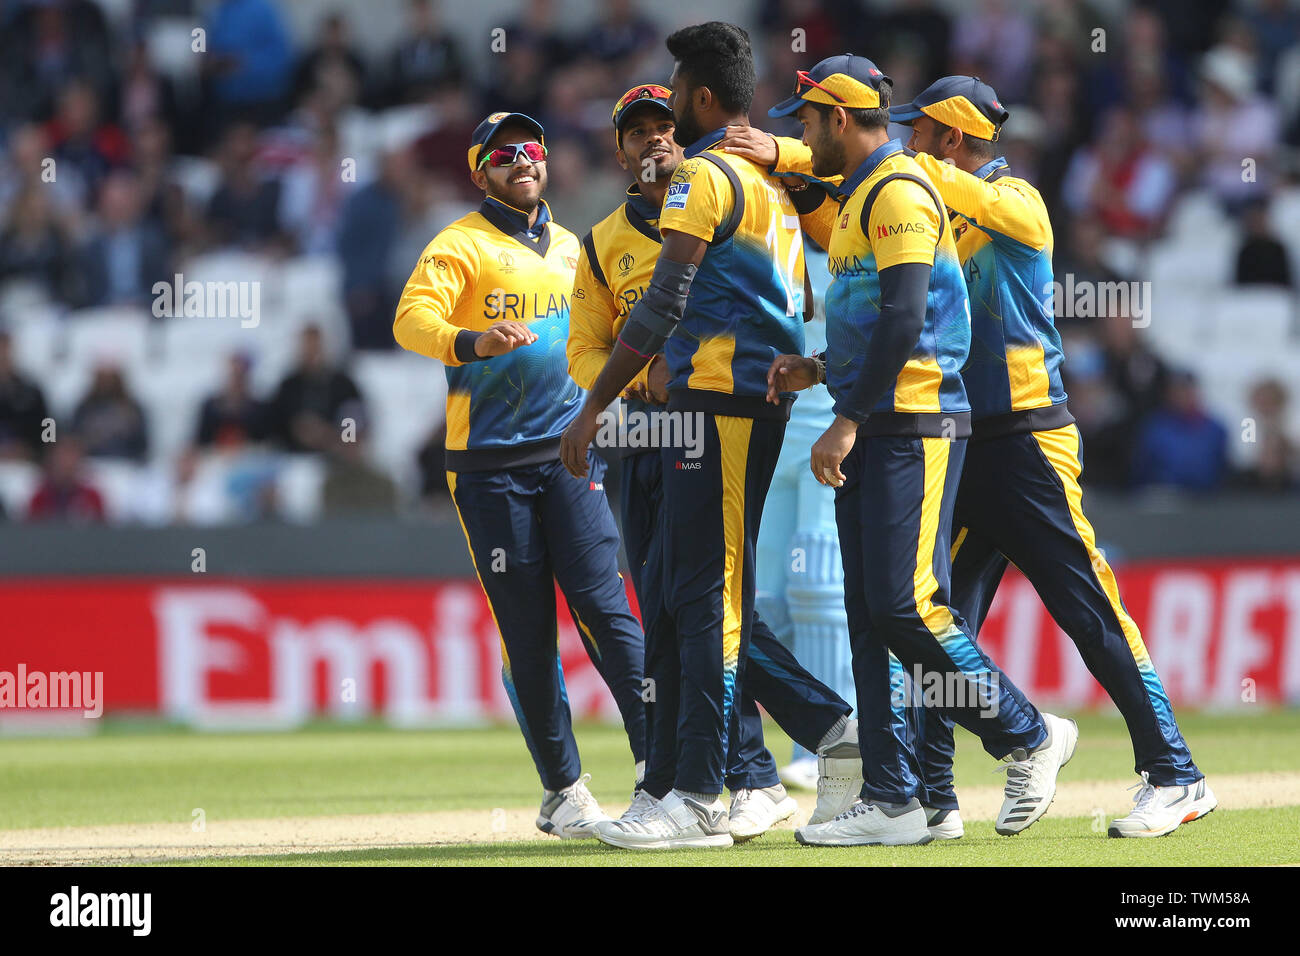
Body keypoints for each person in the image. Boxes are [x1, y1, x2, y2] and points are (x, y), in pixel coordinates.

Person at [760, 55, 1076, 847]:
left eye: (804, 120)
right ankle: (893, 796)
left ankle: (1027, 733)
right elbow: (875, 320)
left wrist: (847, 417)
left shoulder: (900, 189)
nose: (799, 133)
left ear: (837, 117)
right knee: (871, 615)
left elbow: (908, 321)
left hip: (915, 422)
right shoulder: (868, 194)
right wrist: (822, 370)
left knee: (906, 605)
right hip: (876, 417)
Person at [886, 76, 1212, 837]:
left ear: (954, 139)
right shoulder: (934, 209)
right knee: (934, 625)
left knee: (1088, 611)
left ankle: (1177, 776)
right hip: (963, 441)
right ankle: (935, 800)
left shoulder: (1019, 201)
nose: (907, 143)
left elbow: (895, 171)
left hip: (1030, 440)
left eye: (919, 132)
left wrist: (847, 156)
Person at [566, 84, 858, 844]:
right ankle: (754, 770)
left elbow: (836, 185)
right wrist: (640, 378)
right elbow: (582, 349)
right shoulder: (601, 243)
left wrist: (783, 149)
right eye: (639, 133)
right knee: (675, 602)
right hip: (644, 440)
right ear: (621, 152)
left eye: (666, 127)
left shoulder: (733, 193)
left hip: (719, 419)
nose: (655, 140)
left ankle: (726, 778)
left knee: (700, 602)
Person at [394, 110, 646, 838]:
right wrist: (471, 340)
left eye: (532, 149)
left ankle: (660, 770)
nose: (522, 160)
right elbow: (411, 320)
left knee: (608, 611)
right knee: (528, 631)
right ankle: (563, 792)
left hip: (569, 454)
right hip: (489, 467)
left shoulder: (575, 246)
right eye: (503, 155)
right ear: (481, 173)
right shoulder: (459, 244)